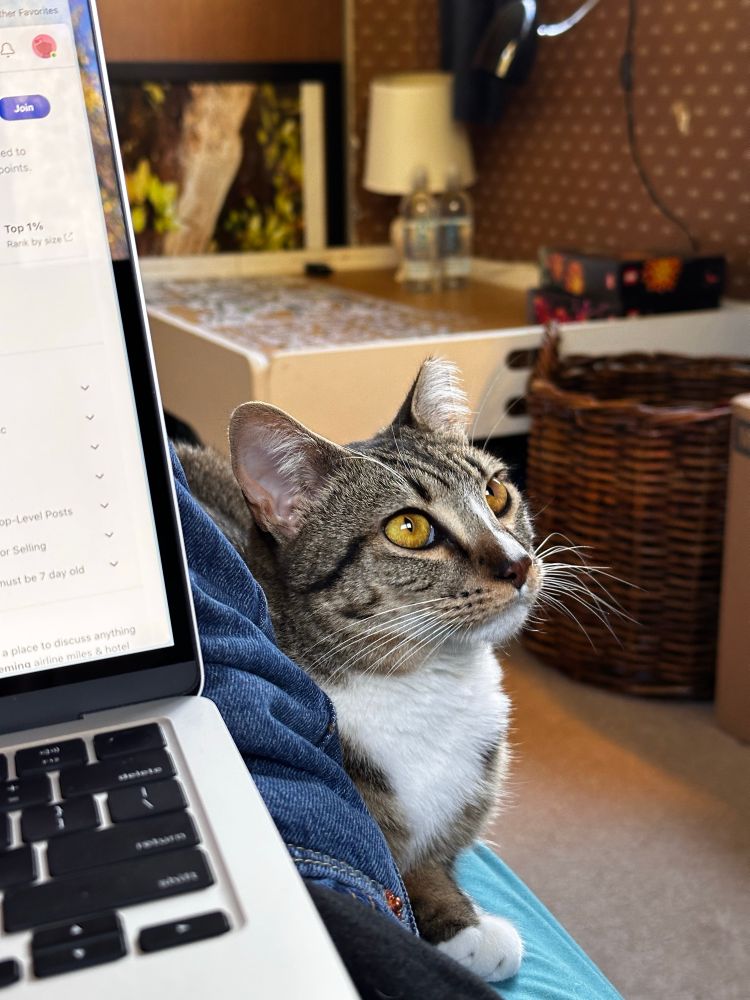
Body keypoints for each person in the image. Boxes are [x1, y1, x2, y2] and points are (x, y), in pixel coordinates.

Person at [172, 446, 622, 1000]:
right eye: (412, 530)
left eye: (495, 497)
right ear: (289, 508)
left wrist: (428, 885)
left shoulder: (473, 697)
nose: (512, 557)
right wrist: (436, 905)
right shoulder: (269, 712)